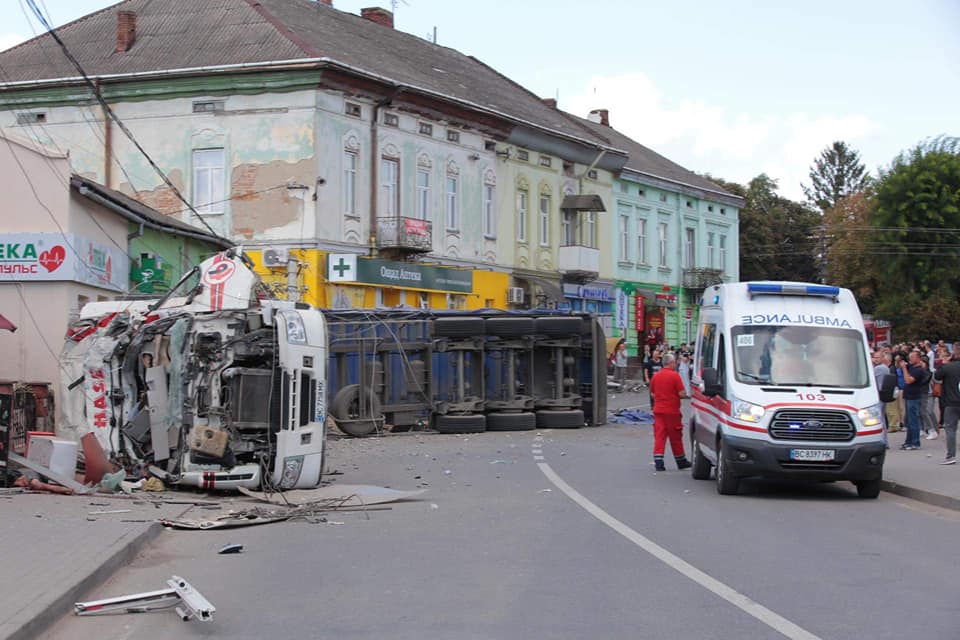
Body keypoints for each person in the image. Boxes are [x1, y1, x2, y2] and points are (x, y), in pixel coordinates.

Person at [648, 353, 691, 471]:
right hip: (672, 410)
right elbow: (682, 393)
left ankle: (658, 462)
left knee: (660, 436)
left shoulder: (656, 376)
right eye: (675, 362)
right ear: (671, 363)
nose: (676, 364)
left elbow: (652, 393)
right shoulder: (675, 376)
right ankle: (680, 460)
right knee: (675, 436)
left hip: (658, 410)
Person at [933, 343, 960, 465]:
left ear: (955, 351)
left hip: (951, 402)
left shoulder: (948, 367)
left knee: (950, 429)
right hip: (952, 400)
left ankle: (951, 456)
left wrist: (943, 363)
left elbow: (937, 376)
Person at [899, 350, 927, 450]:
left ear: (918, 358)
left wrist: (904, 368)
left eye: (913, 357)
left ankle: (915, 442)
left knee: (913, 420)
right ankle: (908, 442)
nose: (910, 359)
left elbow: (908, 380)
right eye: (909, 357)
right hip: (908, 397)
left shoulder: (918, 370)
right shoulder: (912, 367)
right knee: (908, 421)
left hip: (914, 398)